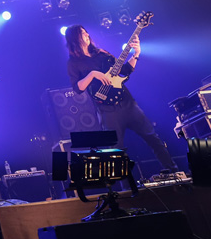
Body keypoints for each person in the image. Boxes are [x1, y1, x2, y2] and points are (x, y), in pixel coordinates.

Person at [65, 25, 177, 172]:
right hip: (107, 110)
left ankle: (173, 170)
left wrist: (136, 53)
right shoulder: (73, 63)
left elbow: (125, 70)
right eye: (82, 33)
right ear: (74, 38)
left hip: (128, 103)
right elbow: (77, 88)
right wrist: (92, 74)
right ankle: (125, 184)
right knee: (116, 151)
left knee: (152, 137)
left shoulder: (102, 53)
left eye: (86, 32)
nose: (87, 35)